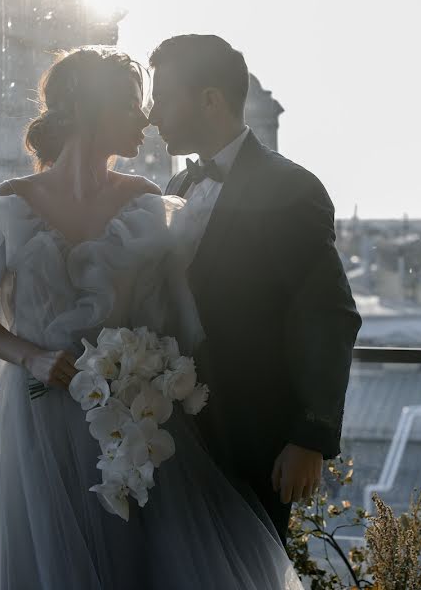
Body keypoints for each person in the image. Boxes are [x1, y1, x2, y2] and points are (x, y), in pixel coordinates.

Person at [0, 46, 302, 589]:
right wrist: (34, 357)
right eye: (132, 105)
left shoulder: (149, 202)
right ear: (92, 109)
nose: (147, 119)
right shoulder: (8, 203)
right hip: (37, 423)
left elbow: (181, 324)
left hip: (134, 423)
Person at [149, 34, 362, 543]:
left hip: (252, 437)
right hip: (171, 434)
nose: (151, 114)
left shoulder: (290, 187)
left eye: (161, 97)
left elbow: (328, 314)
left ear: (209, 100)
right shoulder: (174, 189)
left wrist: (308, 437)